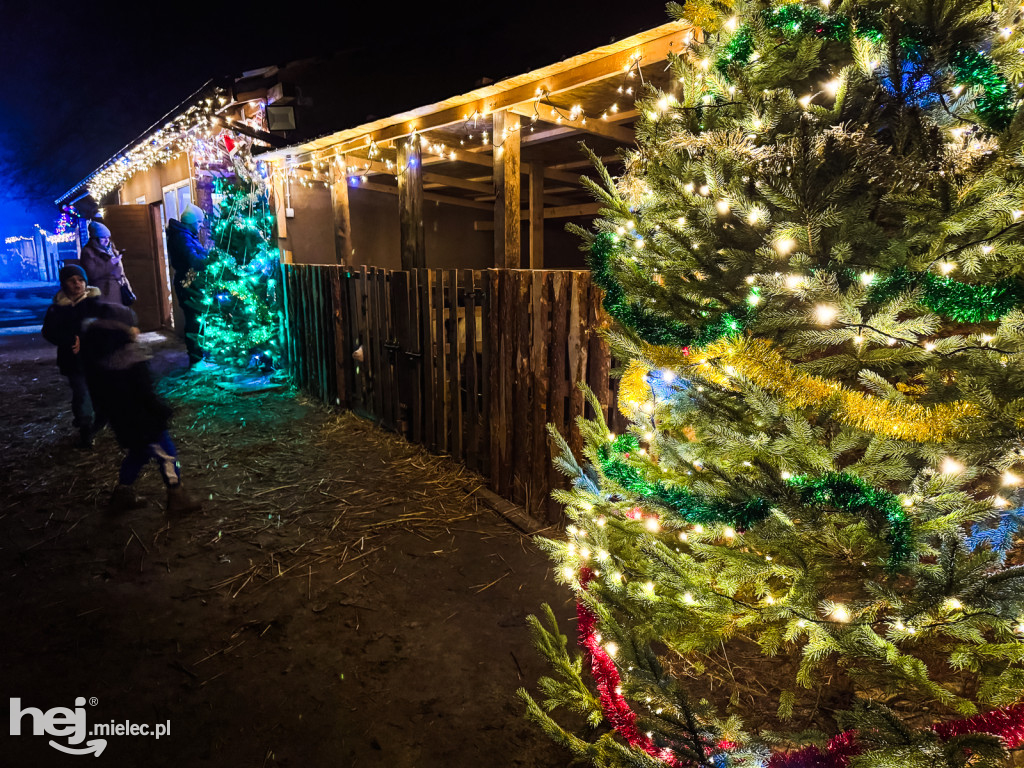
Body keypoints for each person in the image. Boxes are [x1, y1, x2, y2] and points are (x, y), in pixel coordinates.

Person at [80, 304, 201, 514]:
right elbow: (142, 391)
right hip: (143, 421)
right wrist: (160, 410)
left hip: (124, 420)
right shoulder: (128, 357)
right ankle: (177, 495)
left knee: (138, 453)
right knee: (167, 455)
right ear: (121, 329)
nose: (137, 330)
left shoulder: (99, 358)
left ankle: (123, 494)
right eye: (132, 326)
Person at [41, 264, 105, 448]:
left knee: (98, 391)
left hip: (96, 357)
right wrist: (69, 339)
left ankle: (99, 419)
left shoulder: (96, 304)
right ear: (64, 284)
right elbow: (48, 331)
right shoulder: (57, 309)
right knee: (81, 392)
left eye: (80, 280)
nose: (77, 284)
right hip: (73, 359)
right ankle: (85, 430)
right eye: (72, 280)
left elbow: (107, 326)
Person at [166, 204, 208, 367]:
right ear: (191, 222)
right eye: (198, 223)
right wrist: (209, 260)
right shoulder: (182, 237)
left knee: (197, 319)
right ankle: (196, 360)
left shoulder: (186, 235)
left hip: (191, 282)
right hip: (188, 283)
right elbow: (193, 260)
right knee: (194, 319)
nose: (200, 227)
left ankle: (199, 356)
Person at [80, 220, 131, 306]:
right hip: (104, 292)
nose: (107, 240)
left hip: (119, 289)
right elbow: (92, 274)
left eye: (108, 237)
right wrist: (111, 263)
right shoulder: (88, 252)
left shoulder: (111, 249)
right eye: (103, 237)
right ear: (95, 238)